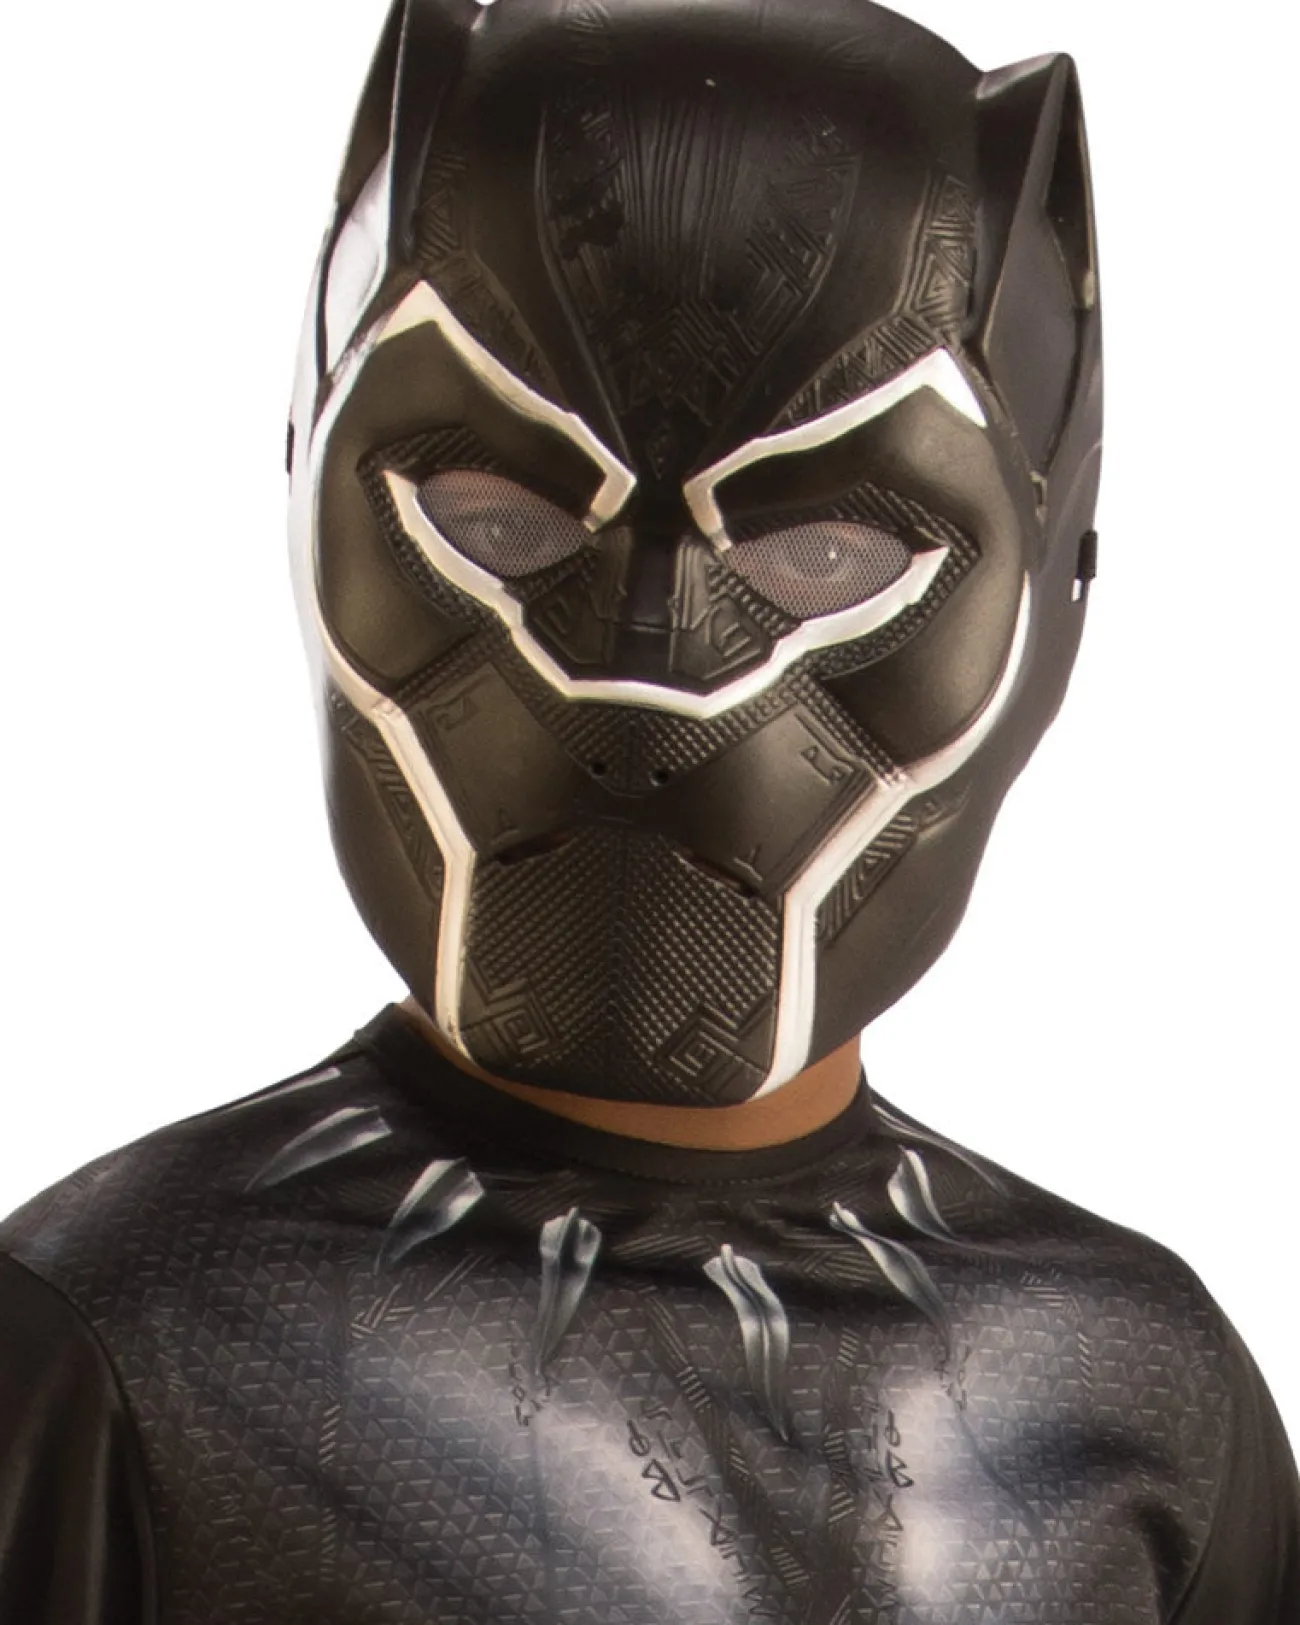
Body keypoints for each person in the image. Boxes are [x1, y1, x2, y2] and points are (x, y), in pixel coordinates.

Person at [1, 0, 1295, 1619]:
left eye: (822, 554)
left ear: (1054, 583)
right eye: (504, 517)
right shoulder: (114, 1349)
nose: (644, 674)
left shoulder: (1136, 1393)